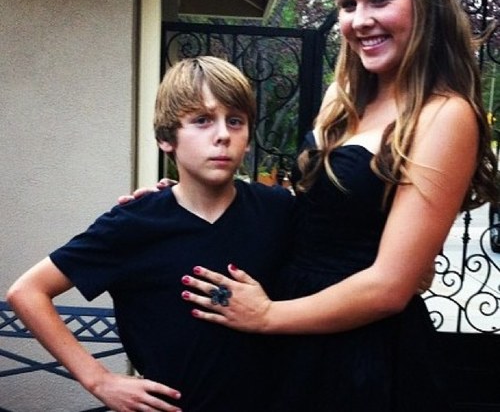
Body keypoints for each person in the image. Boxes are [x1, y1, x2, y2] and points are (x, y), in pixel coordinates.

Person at [175, 0, 498, 411]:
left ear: (428, 2)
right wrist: (191, 195)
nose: (359, 20)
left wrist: (267, 316)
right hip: (294, 332)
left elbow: (391, 286)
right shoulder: (343, 97)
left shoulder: (444, 115)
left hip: (359, 356)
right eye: (348, 4)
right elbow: (308, 212)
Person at [6, 56, 295, 412]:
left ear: (248, 138)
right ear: (166, 138)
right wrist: (98, 380)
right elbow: (27, 292)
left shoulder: (279, 210)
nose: (222, 134)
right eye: (202, 120)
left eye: (235, 121)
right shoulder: (135, 223)